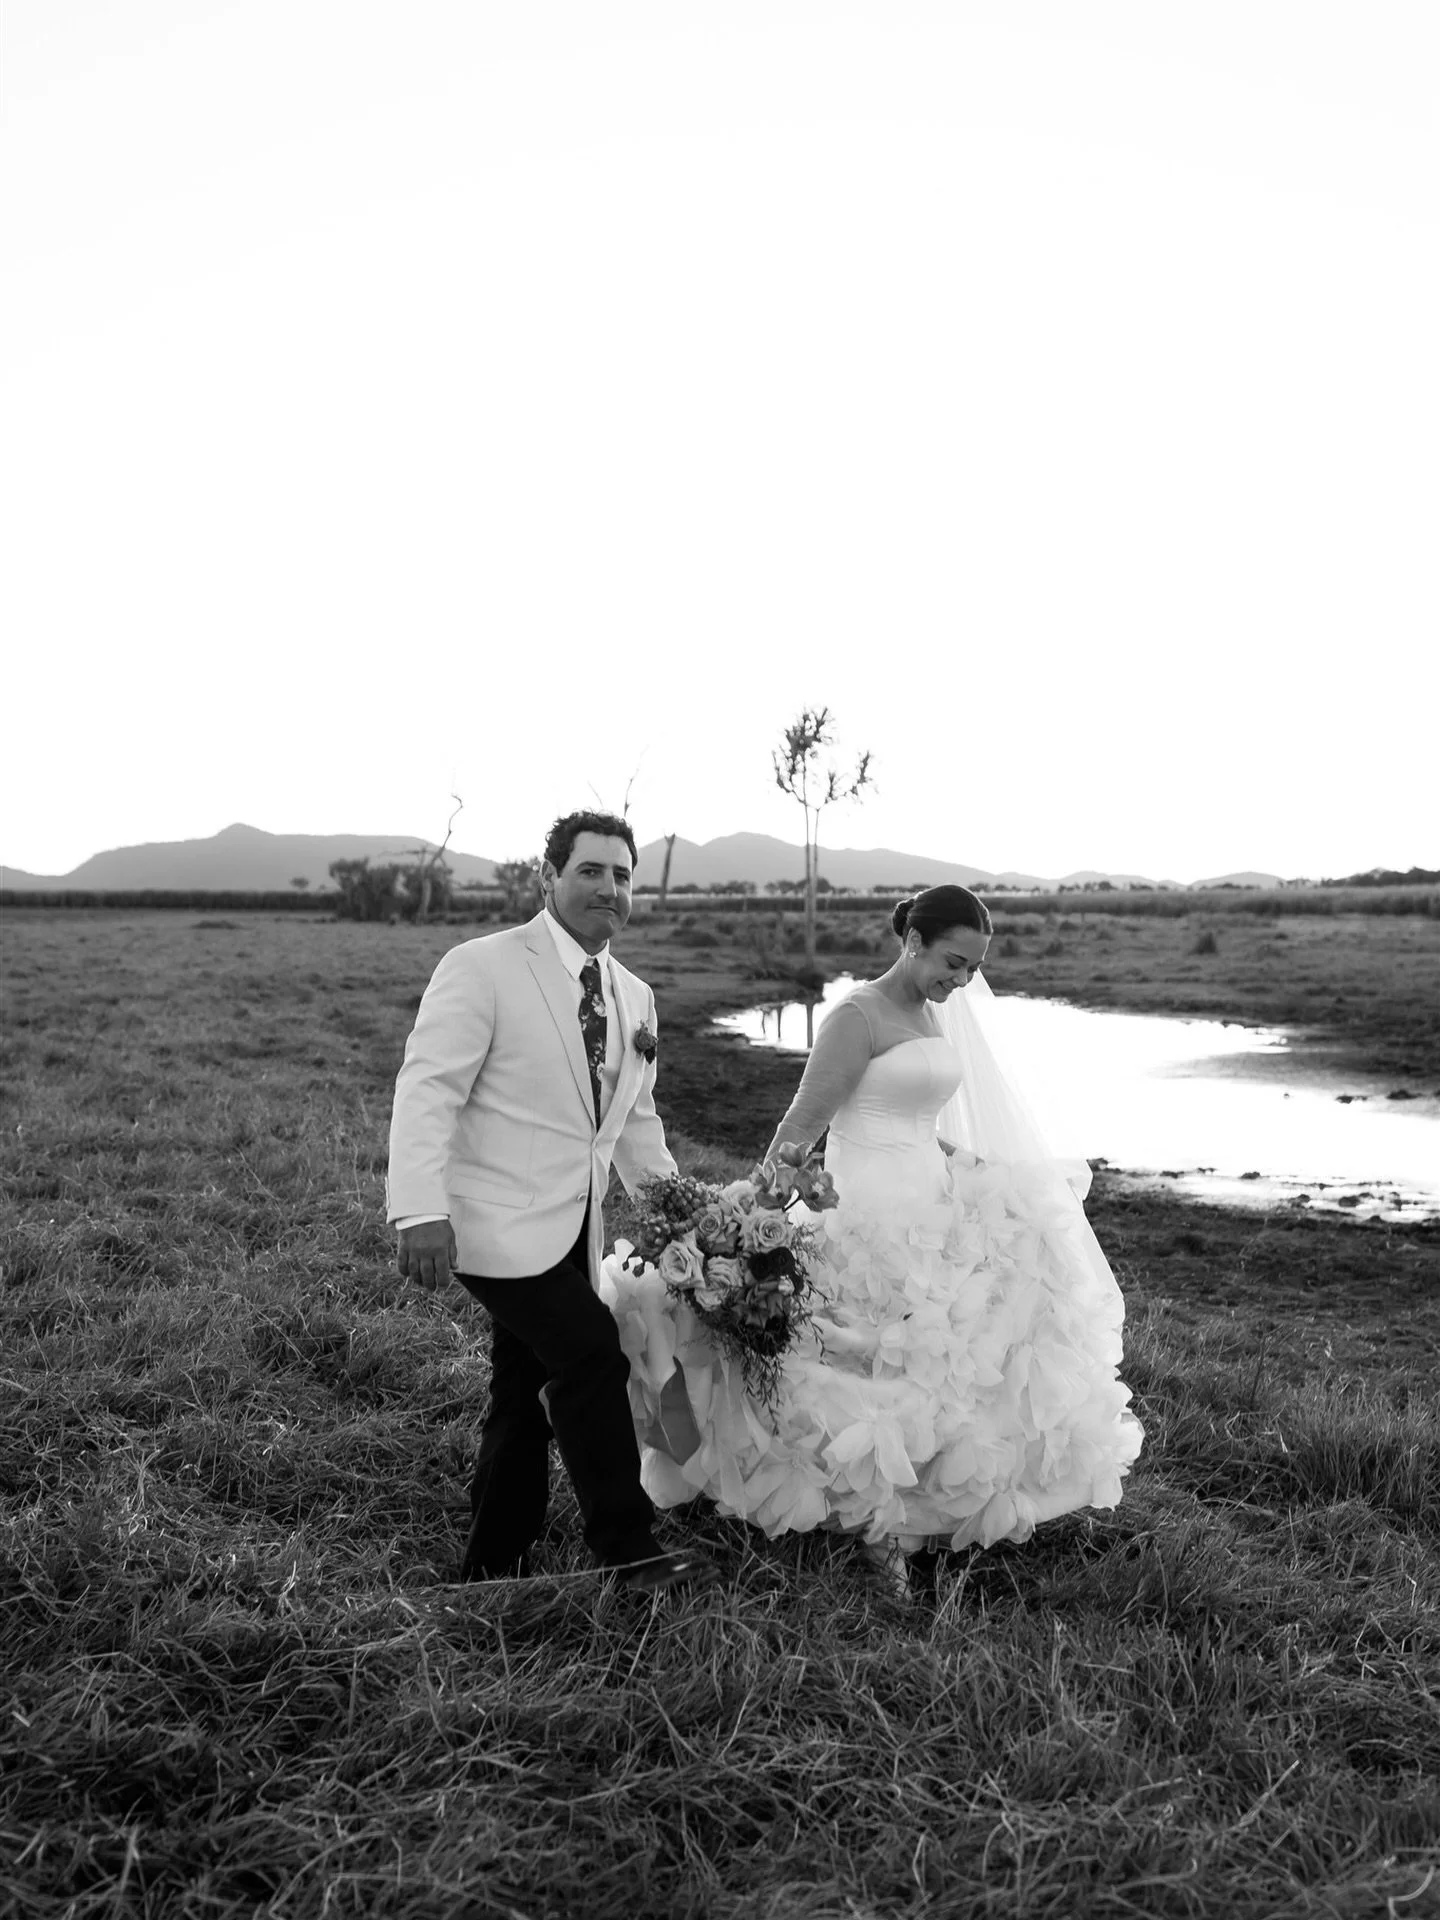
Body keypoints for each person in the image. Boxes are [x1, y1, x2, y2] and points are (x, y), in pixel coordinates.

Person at [607, 884, 1143, 1592]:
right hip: (868, 1216)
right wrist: (748, 1217)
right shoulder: (855, 1016)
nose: (962, 980)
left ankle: (933, 1513)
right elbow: (801, 1128)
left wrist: (977, 1172)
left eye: (974, 969)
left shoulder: (930, 1015)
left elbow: (923, 1120)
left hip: (935, 1205)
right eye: (953, 961)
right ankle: (876, 1528)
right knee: (877, 1371)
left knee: (954, 1367)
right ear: (912, 942)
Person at [387, 809, 721, 1594]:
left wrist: (684, 1217)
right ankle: (629, 1552)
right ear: (549, 878)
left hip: (576, 1227)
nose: (610, 888)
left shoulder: (634, 996)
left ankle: (493, 1562)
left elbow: (635, 1126)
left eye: (623, 875)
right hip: (489, 1221)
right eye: (591, 871)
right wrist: (418, 1209)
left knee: (519, 1394)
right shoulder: (484, 965)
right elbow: (428, 1089)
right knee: (590, 1352)